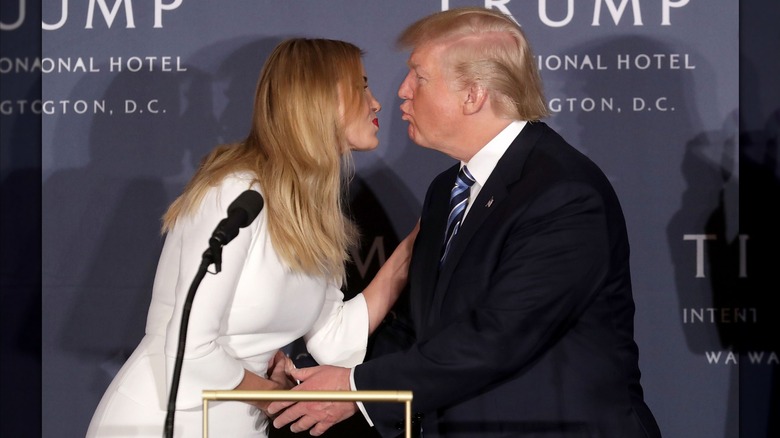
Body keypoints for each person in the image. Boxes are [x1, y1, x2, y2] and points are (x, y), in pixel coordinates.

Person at [268, 7, 663, 438]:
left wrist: (356, 388)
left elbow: (498, 336)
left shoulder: (562, 192)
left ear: (473, 95)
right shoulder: (448, 190)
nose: (401, 91)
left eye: (419, 77)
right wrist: (318, 379)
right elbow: (425, 330)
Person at [86, 38, 417, 437]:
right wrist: (276, 396)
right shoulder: (238, 192)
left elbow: (334, 338)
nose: (376, 102)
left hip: (237, 423)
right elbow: (189, 351)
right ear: (320, 99)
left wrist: (417, 244)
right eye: (361, 86)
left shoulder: (308, 208)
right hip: (165, 419)